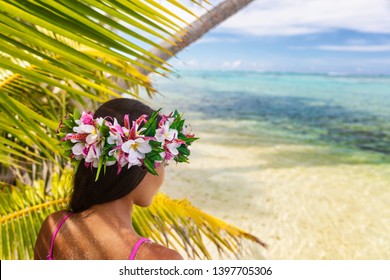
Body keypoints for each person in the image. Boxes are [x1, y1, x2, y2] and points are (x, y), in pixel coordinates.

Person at [34, 98, 197, 260]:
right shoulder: (159, 260)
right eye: (163, 164)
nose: (162, 177)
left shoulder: (54, 228)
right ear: (138, 164)